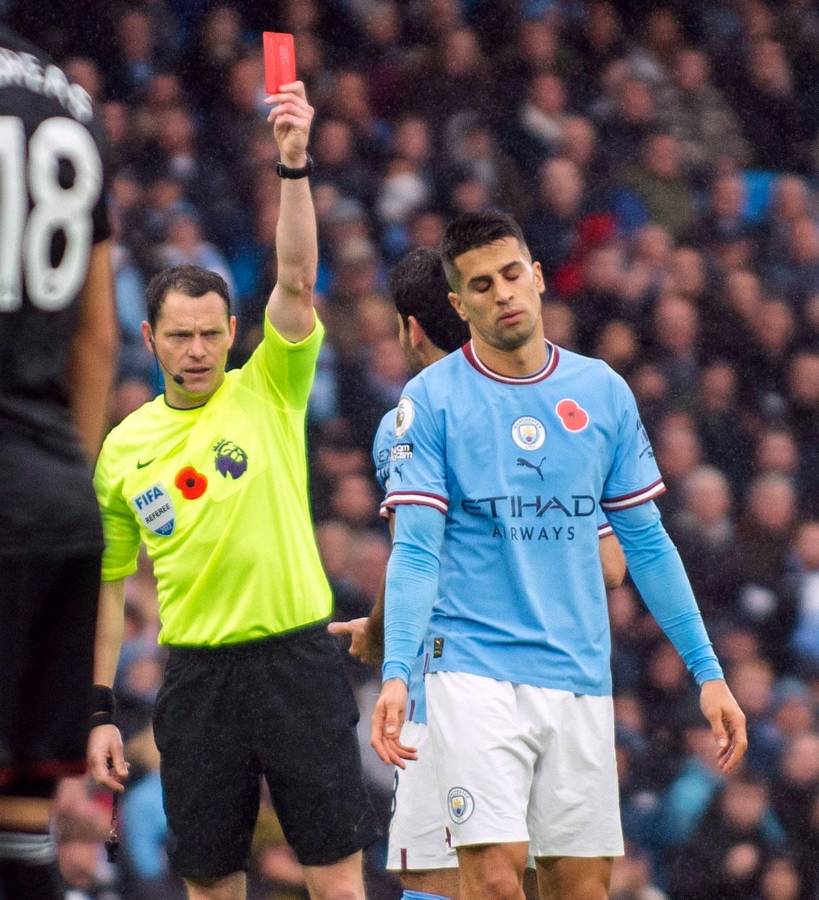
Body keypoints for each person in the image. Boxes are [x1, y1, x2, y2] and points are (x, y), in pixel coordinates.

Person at [371, 209, 747, 900]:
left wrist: (707, 671)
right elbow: (415, 553)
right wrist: (397, 670)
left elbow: (645, 543)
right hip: (471, 671)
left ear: (538, 278)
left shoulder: (601, 390)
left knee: (581, 886)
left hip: (577, 672)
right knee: (492, 875)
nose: (502, 294)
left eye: (512, 275)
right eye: (480, 286)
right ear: (458, 304)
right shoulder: (427, 402)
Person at [87, 81, 379, 900]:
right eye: (179, 336)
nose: (197, 350)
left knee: (337, 880)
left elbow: (294, 279)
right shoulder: (123, 451)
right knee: (209, 884)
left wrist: (292, 165)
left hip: (295, 661)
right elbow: (109, 588)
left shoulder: (269, 387)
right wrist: (100, 708)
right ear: (149, 340)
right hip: (196, 679)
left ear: (230, 333)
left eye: (212, 333)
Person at [331, 247, 626, 900]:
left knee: (444, 879)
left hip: (458, 684)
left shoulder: (408, 420)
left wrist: (380, 637)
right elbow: (611, 565)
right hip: (564, 685)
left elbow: (420, 558)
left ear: (411, 327)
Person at [0, 24, 117, 900]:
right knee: (23, 825)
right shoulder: (72, 103)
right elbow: (99, 335)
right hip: (58, 501)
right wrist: (69, 480)